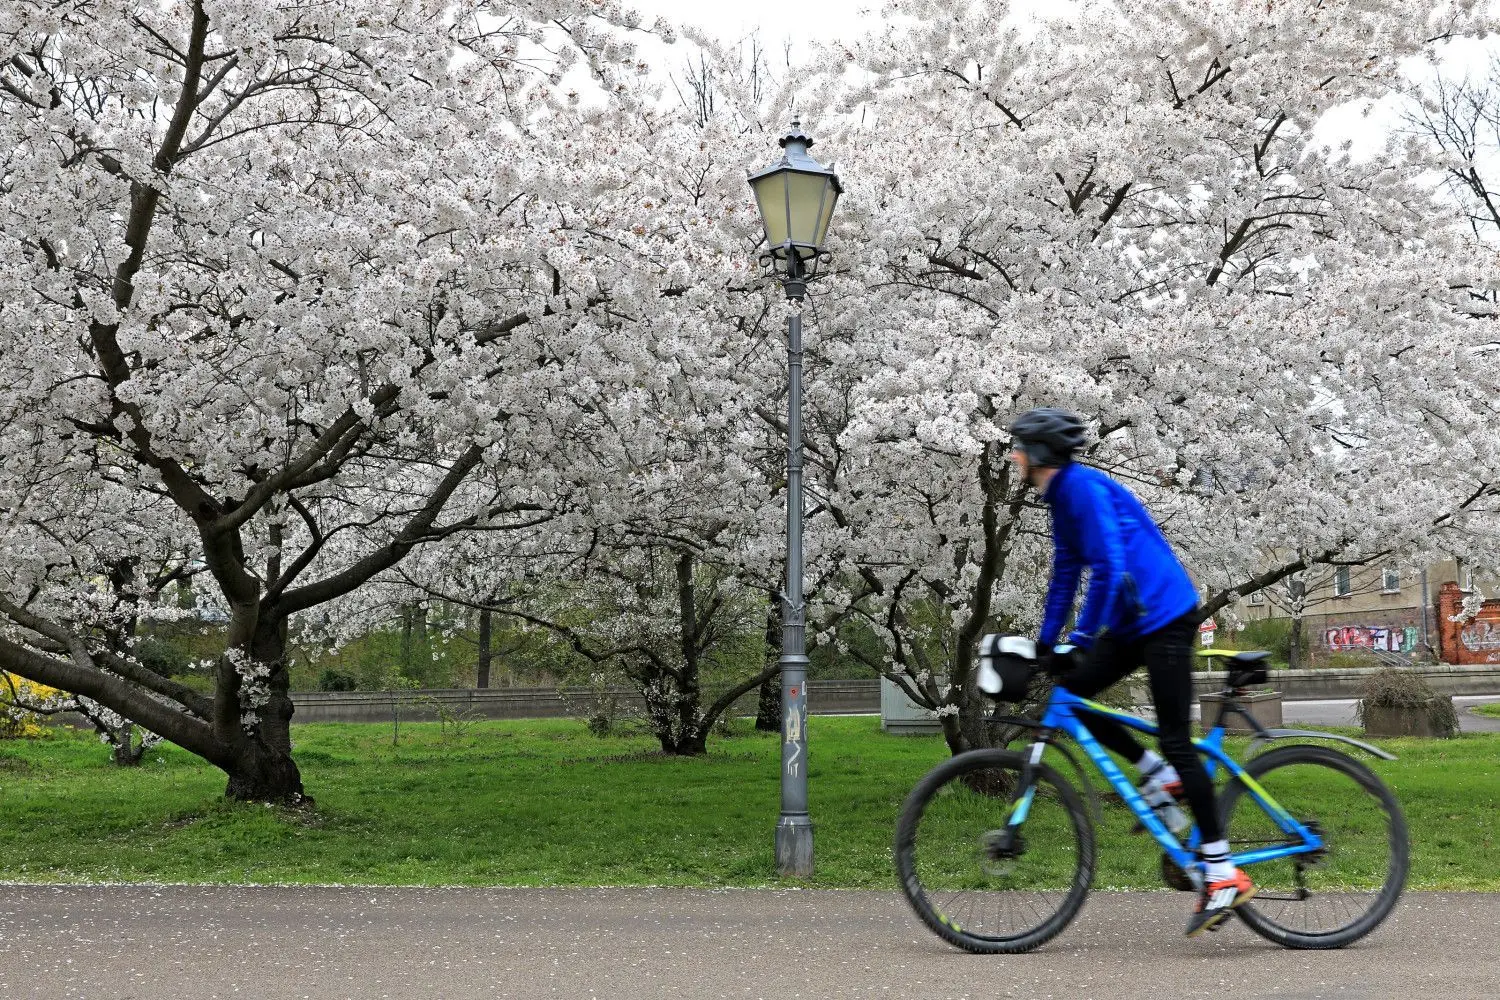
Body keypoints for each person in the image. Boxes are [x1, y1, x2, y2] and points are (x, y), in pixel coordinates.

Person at [1007, 407, 1255, 937]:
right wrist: (1046, 644)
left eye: (1019, 447)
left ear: (1040, 452)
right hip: (1130, 622)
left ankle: (1221, 871)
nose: (1013, 456)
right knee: (1072, 696)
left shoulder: (1082, 489)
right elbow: (1066, 572)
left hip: (1164, 617)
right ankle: (1156, 773)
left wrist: (1080, 639)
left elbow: (1110, 566)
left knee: (1177, 740)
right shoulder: (1060, 497)